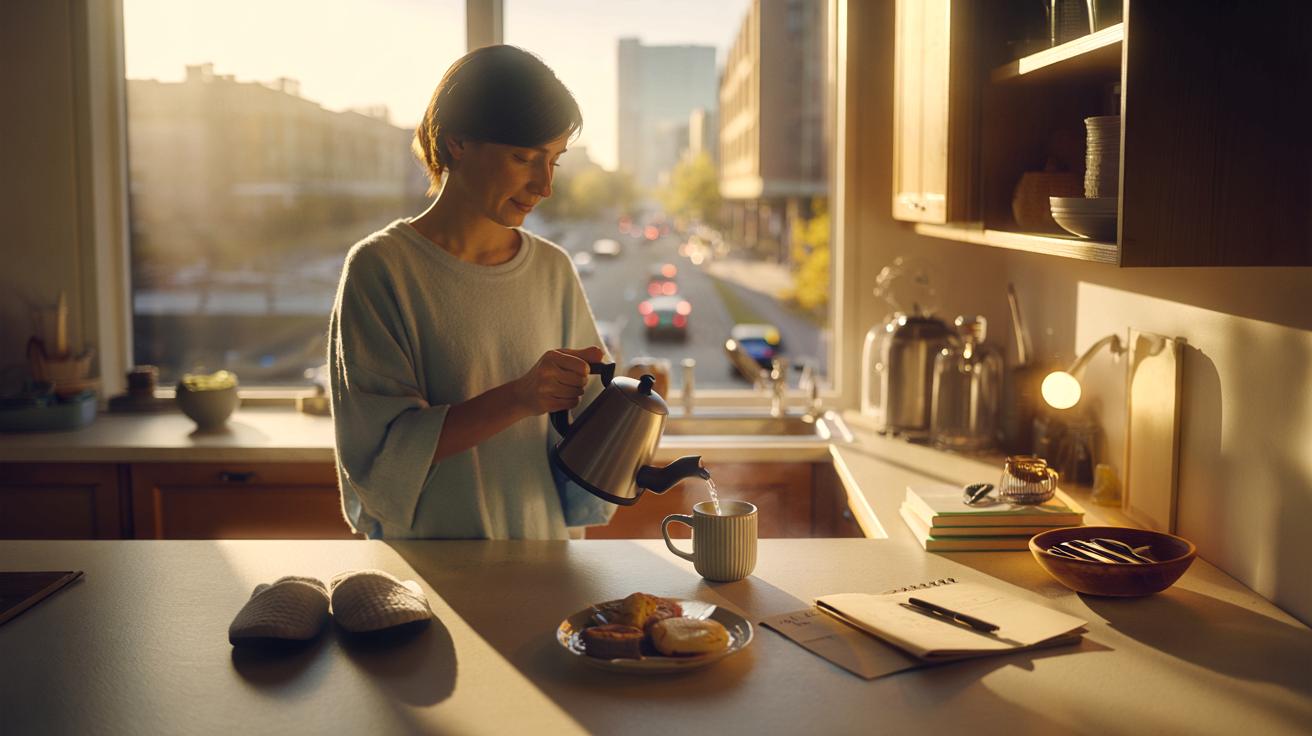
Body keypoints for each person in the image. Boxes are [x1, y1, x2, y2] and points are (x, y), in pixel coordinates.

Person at [328, 45, 613, 539]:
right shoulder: (382, 269)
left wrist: (624, 408)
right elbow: (378, 453)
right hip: (431, 570)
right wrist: (520, 397)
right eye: (524, 157)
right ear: (457, 142)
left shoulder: (552, 268)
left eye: (554, 161)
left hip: (544, 558)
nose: (544, 185)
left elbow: (583, 442)